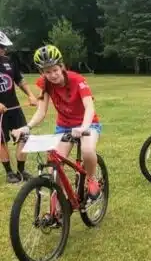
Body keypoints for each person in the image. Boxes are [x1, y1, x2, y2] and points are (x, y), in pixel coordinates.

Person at [12, 45, 101, 199]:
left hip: (87, 123)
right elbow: (41, 111)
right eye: (47, 72)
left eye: (55, 70)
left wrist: (83, 127)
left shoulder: (77, 80)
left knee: (87, 150)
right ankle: (60, 201)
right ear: (42, 72)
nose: (52, 75)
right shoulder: (45, 84)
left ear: (61, 67)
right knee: (54, 165)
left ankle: (91, 179)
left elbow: (89, 107)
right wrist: (27, 127)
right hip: (64, 126)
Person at [0, 31, 37, 183]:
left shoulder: (9, 62)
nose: (4, 49)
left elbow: (19, 80)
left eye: (4, 46)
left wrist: (30, 95)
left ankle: (21, 171)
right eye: (1, 46)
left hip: (14, 107)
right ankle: (9, 173)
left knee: (24, 135)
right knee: (1, 141)